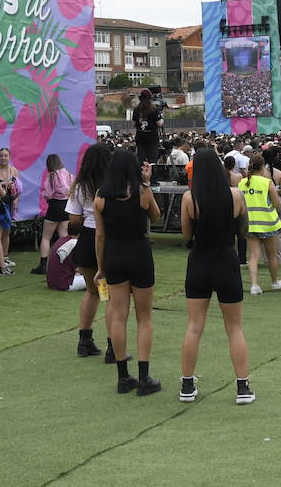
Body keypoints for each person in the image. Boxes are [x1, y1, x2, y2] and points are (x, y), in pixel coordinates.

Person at [179, 149, 254, 404]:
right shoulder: (236, 195)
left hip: (199, 262)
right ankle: (243, 387)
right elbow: (244, 230)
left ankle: (187, 385)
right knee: (234, 328)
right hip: (226, 261)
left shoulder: (190, 198)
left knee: (194, 326)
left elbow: (187, 236)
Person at [95, 149, 162, 395]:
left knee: (118, 316)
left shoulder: (101, 197)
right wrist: (146, 183)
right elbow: (156, 216)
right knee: (144, 317)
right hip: (140, 253)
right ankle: (144, 377)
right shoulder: (142, 193)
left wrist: (101, 267)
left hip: (114, 256)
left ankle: (123, 377)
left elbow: (100, 236)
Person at [67, 144, 111, 359]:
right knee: (111, 296)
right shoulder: (113, 184)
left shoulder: (79, 186)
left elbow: (73, 220)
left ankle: (85, 340)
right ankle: (114, 343)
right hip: (109, 241)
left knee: (93, 292)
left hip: (87, 239)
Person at [238, 153, 281, 294]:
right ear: (263, 167)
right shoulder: (267, 183)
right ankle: (274, 282)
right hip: (268, 223)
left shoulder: (241, 183)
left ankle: (254, 285)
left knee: (253, 256)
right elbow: (277, 204)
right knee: (271, 256)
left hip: (249, 223)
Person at [34, 153, 73, 275]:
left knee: (46, 237)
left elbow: (48, 194)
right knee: (64, 235)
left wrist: (46, 196)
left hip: (54, 205)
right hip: (66, 205)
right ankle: (67, 263)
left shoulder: (51, 175)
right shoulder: (67, 173)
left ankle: (43, 265)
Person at [0, 148, 22, 268]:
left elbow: (19, 189)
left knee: (7, 231)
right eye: (1, 156)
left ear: (9, 157)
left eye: (5, 156)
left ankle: (5, 257)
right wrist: (3, 184)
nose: (3, 158)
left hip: (9, 202)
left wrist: (16, 200)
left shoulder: (14, 171)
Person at [132, 90, 163, 166]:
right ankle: (152, 176)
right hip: (152, 138)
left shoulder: (136, 110)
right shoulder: (153, 109)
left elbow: (133, 124)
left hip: (140, 138)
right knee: (152, 161)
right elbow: (159, 123)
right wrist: (162, 119)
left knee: (140, 160)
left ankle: (141, 175)